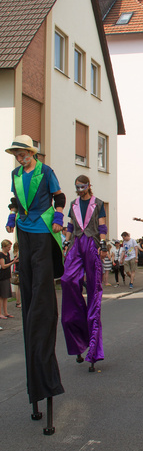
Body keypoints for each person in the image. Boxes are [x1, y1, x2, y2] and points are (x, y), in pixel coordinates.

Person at [5, 134, 65, 431]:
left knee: (41, 282)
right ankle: (28, 298)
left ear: (31, 152)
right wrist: (12, 218)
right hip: (24, 229)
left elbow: (60, 197)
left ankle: (42, 297)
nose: (19, 157)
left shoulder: (46, 171)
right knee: (27, 278)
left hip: (42, 225)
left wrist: (59, 219)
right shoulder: (16, 174)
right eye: (16, 153)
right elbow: (15, 201)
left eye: (22, 152)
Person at [60, 176, 108, 371]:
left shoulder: (98, 203)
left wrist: (103, 244)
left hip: (92, 245)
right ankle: (78, 339)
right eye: (77, 187)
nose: (79, 190)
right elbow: (71, 225)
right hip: (76, 244)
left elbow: (102, 226)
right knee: (67, 280)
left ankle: (94, 352)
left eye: (82, 187)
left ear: (89, 186)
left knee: (94, 294)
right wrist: (66, 241)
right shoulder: (73, 204)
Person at [0, 239, 17, 318]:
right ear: (3, 247)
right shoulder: (1, 255)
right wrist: (12, 262)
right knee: (2, 296)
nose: (9, 249)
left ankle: (6, 312)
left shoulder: (7, 254)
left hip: (7, 276)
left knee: (6, 295)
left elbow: (8, 266)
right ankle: (0, 313)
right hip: (2, 277)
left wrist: (10, 275)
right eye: (8, 247)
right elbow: (3, 266)